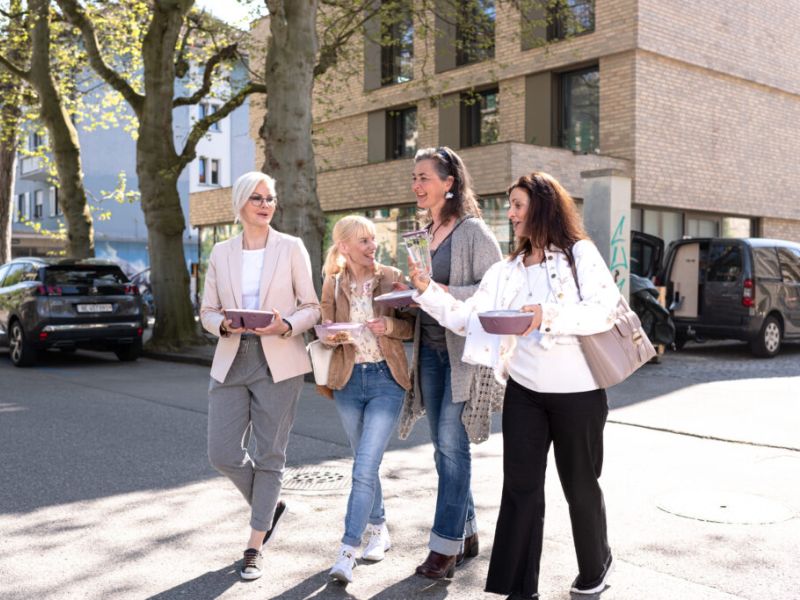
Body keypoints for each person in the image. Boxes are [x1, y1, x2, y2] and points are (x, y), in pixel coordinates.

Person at [408, 171, 620, 598]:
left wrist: (547, 315)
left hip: (578, 392)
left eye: (518, 205)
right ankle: (521, 589)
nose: (510, 214)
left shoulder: (579, 254)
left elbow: (604, 309)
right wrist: (428, 290)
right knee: (521, 488)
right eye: (510, 206)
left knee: (580, 484)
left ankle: (595, 565)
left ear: (543, 207)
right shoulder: (506, 270)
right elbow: (468, 319)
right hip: (524, 392)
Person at [200, 171, 320, 581]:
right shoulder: (221, 252)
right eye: (257, 198)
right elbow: (207, 311)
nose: (266, 205)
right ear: (240, 204)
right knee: (222, 454)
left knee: (270, 455)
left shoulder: (291, 247)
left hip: (279, 358)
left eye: (270, 198)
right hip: (232, 356)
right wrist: (223, 325)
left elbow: (312, 307)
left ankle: (254, 546)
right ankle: (270, 506)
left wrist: (286, 325)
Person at [399, 146, 503, 580]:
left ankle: (443, 549)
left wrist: (438, 291)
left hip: (463, 356)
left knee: (451, 445)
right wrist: (409, 293)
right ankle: (468, 532)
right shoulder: (423, 233)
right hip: (428, 351)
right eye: (414, 177)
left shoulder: (473, 231)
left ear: (449, 183)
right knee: (443, 449)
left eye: (424, 177)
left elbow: (495, 291)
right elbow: (423, 291)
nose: (416, 185)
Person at [318, 215, 415, 584]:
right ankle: (378, 527)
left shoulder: (391, 277)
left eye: (373, 239)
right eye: (363, 241)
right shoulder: (333, 282)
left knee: (363, 468)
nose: (372, 246)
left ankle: (347, 551)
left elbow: (412, 327)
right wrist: (331, 335)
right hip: (347, 381)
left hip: (386, 380)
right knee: (365, 464)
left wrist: (389, 326)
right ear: (344, 246)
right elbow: (324, 328)